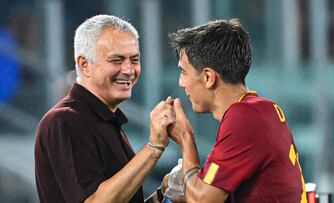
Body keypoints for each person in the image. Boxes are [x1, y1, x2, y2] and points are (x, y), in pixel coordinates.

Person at [34, 14, 174, 203]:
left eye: (134, 59)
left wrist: (161, 195)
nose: (128, 70)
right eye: (116, 60)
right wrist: (154, 147)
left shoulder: (107, 120)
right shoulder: (65, 120)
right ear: (84, 65)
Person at [164, 18, 307, 202]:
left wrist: (186, 138)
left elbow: (202, 200)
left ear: (208, 77)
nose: (181, 82)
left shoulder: (244, 117)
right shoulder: (261, 109)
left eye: (184, 72)